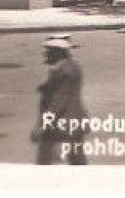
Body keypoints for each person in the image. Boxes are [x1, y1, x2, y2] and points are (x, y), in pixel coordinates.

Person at [33, 35, 88, 165]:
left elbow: (59, 101)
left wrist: (43, 125)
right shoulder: (69, 67)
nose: (45, 54)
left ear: (58, 52)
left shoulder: (65, 71)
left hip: (63, 122)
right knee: (76, 159)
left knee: (46, 158)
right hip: (70, 121)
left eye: (48, 51)